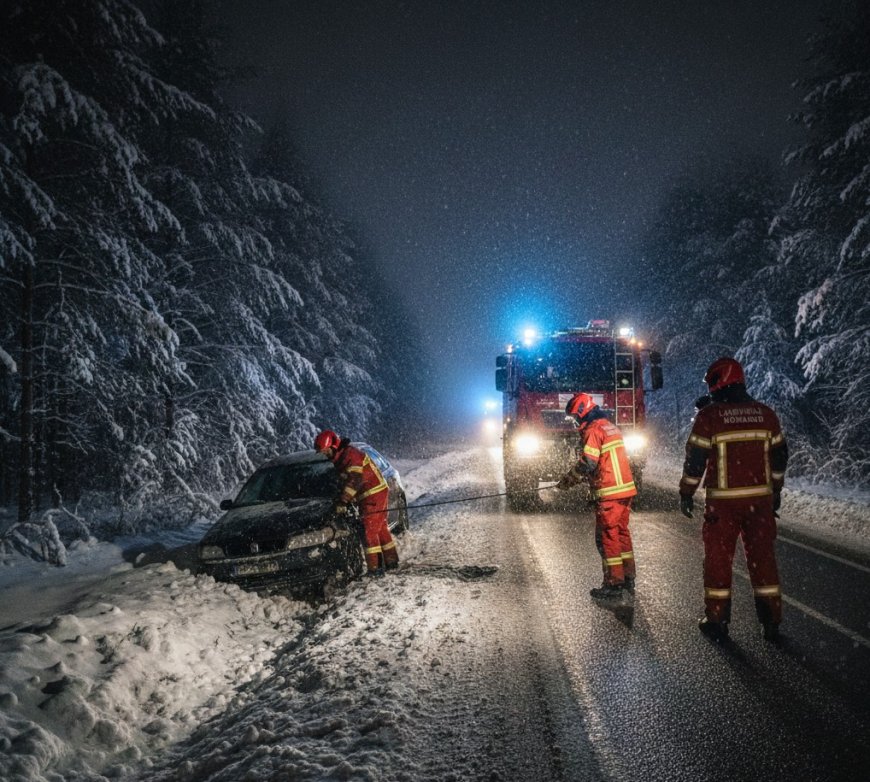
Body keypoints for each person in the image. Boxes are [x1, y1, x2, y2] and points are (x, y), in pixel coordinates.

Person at [679, 357, 788, 643]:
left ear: (719, 381)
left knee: (718, 561)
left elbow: (695, 461)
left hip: (723, 506)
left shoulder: (710, 417)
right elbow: (780, 456)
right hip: (760, 503)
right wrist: (775, 490)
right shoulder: (765, 414)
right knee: (763, 560)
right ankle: (771, 621)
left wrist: (687, 492)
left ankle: (717, 620)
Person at [556, 392, 637, 600]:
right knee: (621, 534)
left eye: (575, 417)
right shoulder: (610, 427)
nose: (575, 422)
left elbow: (589, 463)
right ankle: (628, 578)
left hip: (609, 492)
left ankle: (614, 585)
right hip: (625, 490)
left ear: (582, 412)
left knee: (607, 537)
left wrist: (568, 480)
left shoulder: (593, 430)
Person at [314, 430, 399, 577]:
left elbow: (355, 480)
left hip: (372, 494)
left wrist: (343, 501)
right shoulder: (342, 457)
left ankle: (375, 569)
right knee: (380, 528)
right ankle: (391, 562)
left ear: (334, 446)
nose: (325, 455)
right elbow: (346, 481)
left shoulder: (350, 455)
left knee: (369, 531)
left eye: (326, 451)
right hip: (374, 492)